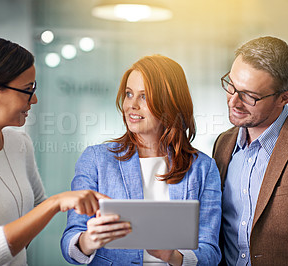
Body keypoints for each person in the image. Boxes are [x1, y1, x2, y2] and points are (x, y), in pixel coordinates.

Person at [0, 37, 107, 266]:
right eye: (28, 90)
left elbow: (35, 207)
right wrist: (56, 202)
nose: (34, 99)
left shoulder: (19, 143)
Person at [60, 55, 222, 265]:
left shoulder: (202, 168)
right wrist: (89, 240)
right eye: (129, 94)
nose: (132, 105)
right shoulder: (96, 160)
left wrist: (173, 256)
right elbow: (70, 241)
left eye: (144, 97)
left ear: (170, 103)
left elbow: (210, 251)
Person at [212, 36, 288, 265]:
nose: (233, 102)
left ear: (284, 97)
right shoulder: (222, 144)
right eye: (231, 85)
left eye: (250, 96)